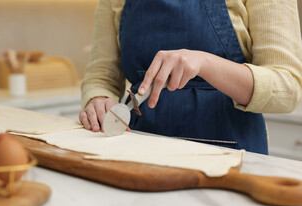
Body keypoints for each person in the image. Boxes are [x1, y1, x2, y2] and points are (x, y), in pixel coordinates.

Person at [79, 0, 302, 154]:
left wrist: (205, 64)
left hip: (233, 159)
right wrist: (97, 100)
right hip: (139, 153)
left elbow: (287, 86)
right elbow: (101, 77)